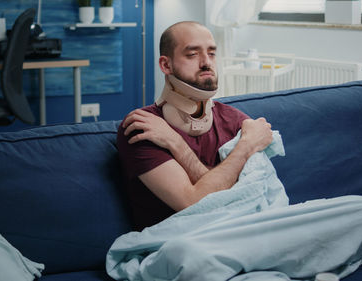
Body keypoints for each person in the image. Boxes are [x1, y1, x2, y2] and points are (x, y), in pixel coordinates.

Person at [117, 21, 274, 231]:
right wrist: (246, 147)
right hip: (176, 242)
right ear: (166, 65)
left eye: (211, 53)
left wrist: (176, 145)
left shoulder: (238, 121)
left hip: (240, 229)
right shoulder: (143, 127)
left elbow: (247, 197)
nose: (206, 63)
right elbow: (193, 202)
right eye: (192, 55)